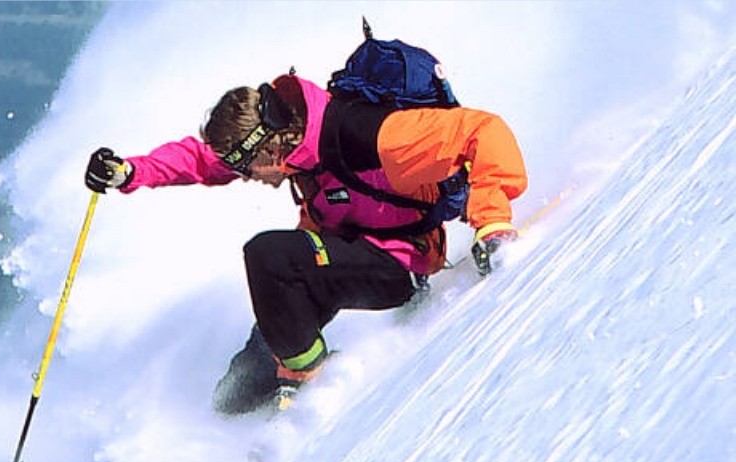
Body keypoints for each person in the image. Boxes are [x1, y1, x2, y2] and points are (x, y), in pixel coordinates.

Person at [85, 69, 527, 412]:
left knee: (268, 256)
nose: (246, 180)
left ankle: (312, 378)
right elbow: (204, 162)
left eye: (247, 169)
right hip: (332, 256)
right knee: (241, 384)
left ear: (270, 150)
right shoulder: (290, 140)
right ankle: (254, 403)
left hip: (397, 263)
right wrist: (132, 172)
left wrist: (491, 223)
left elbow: (482, 131)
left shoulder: (367, 136)